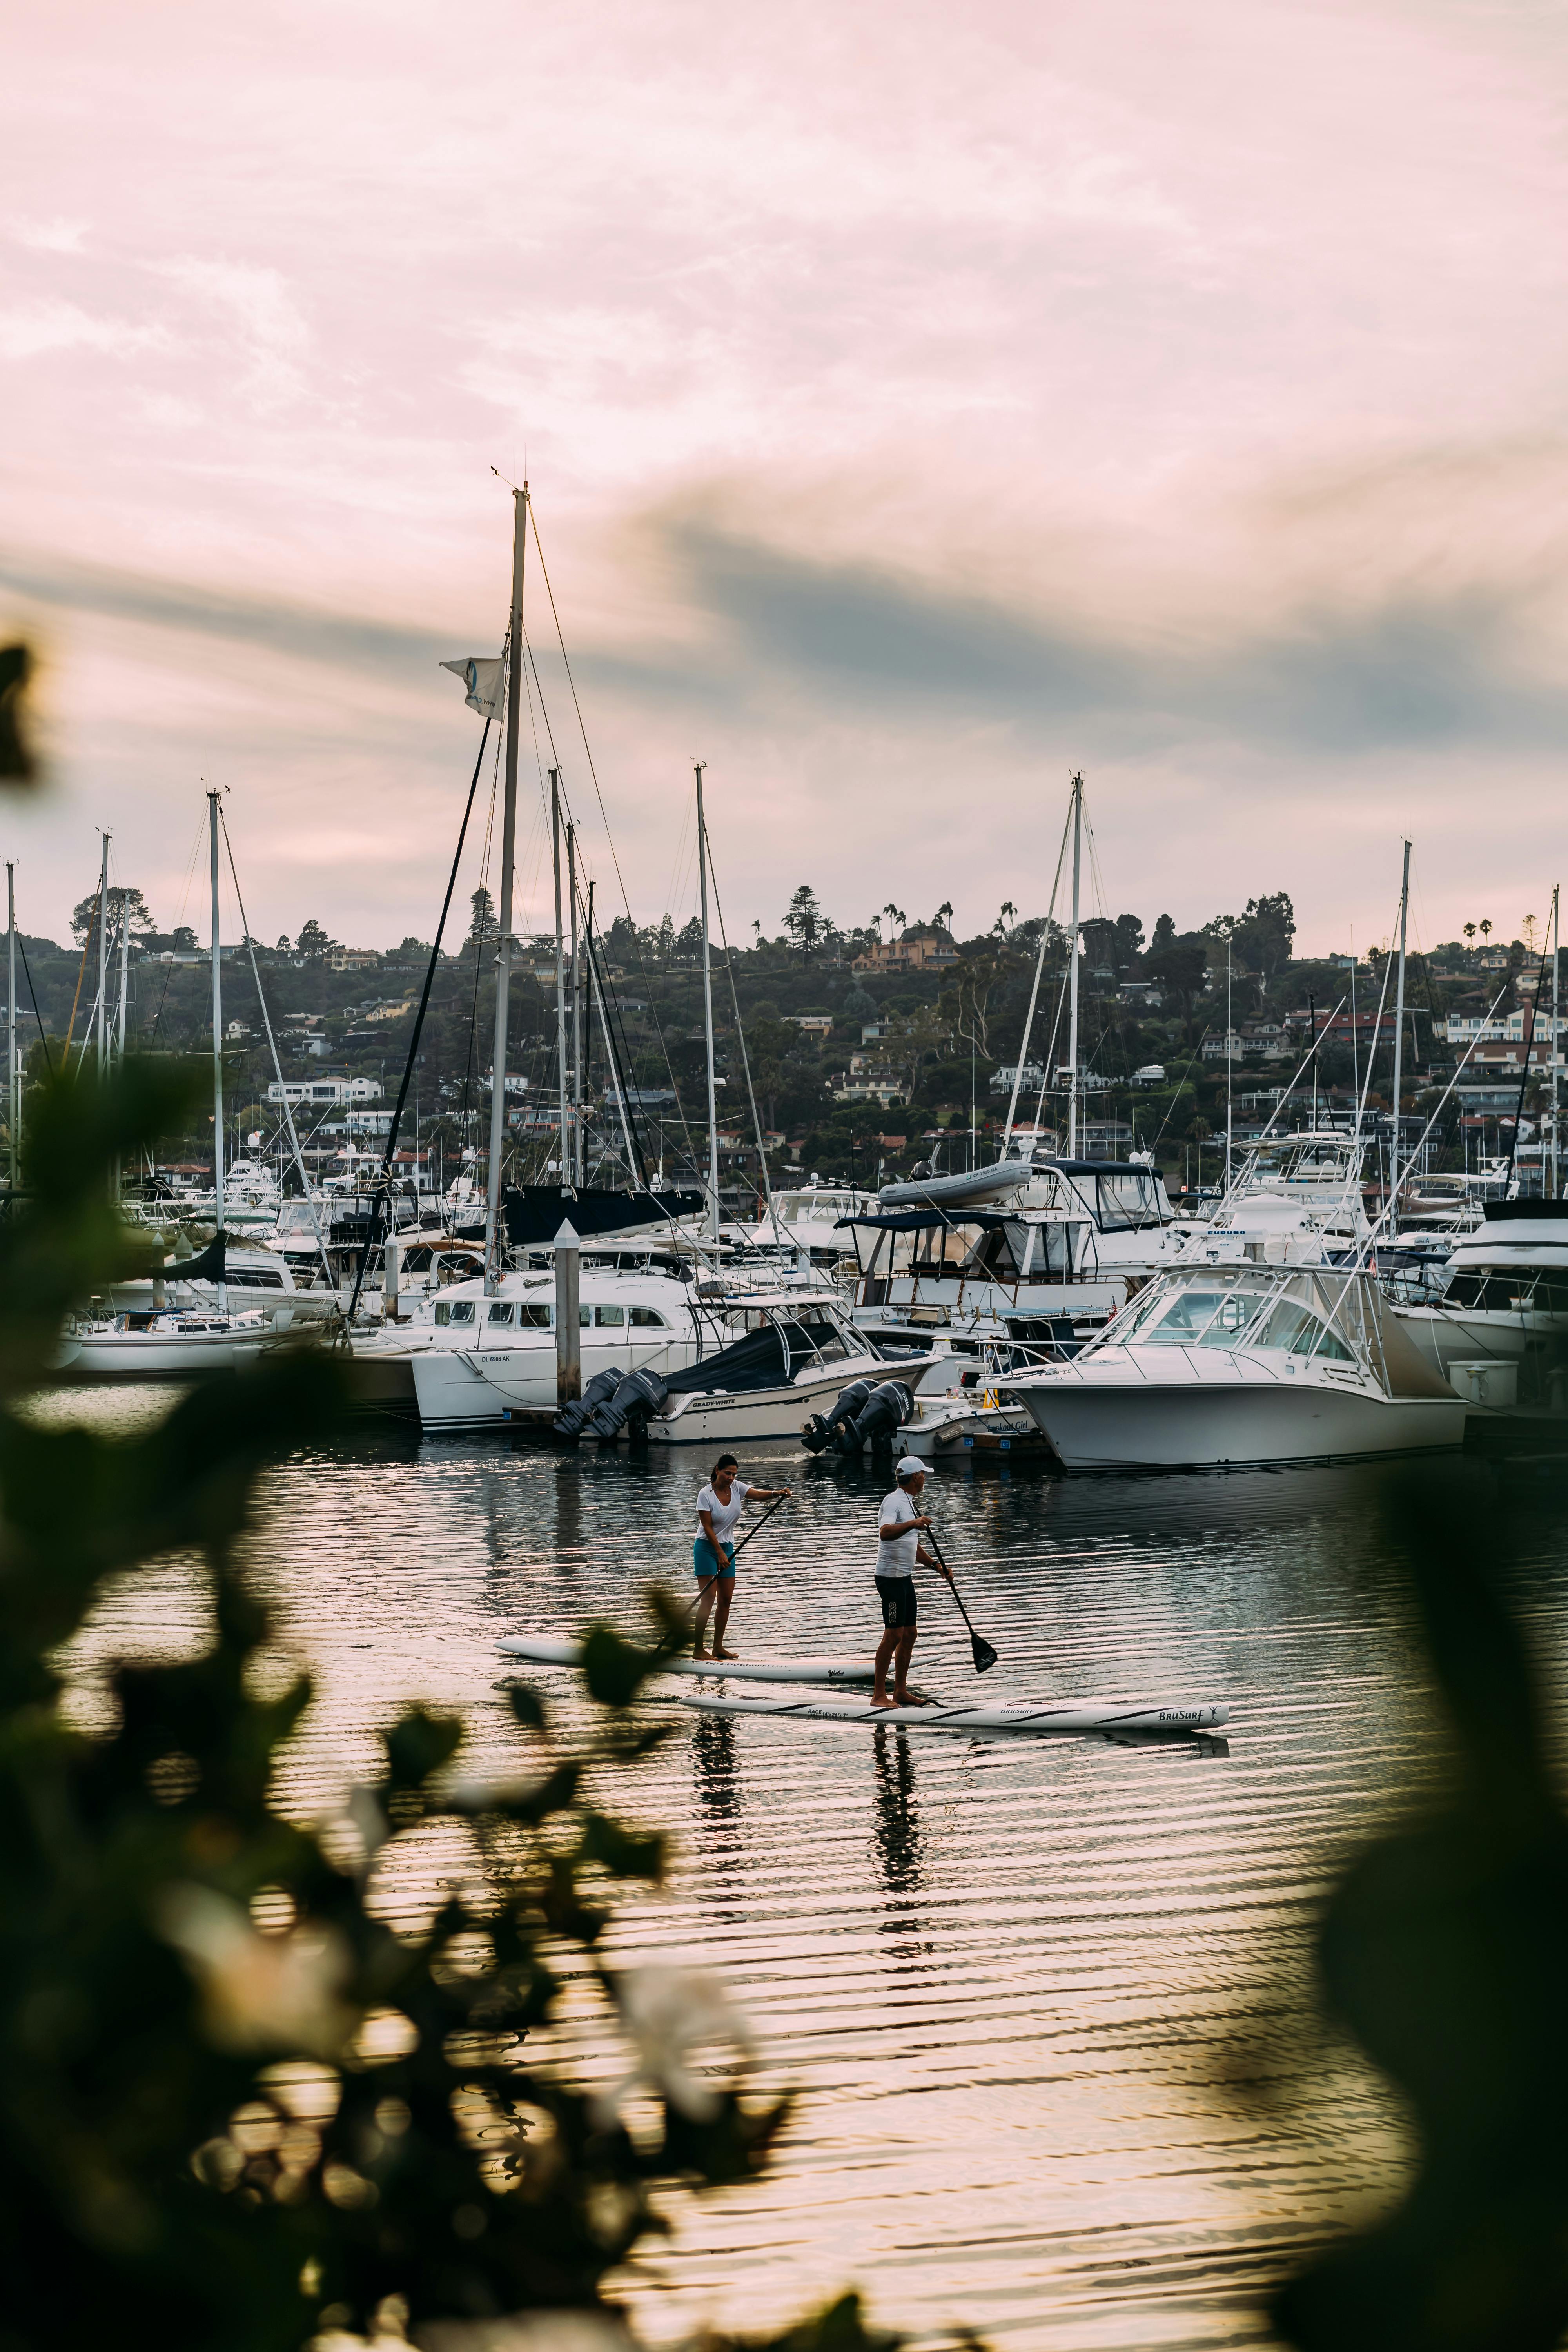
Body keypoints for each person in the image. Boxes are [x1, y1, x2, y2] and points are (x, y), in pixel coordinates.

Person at [693, 1455, 791, 1659]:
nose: (731, 1478)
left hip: (728, 1548)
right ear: (718, 1470)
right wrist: (718, 1552)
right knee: (708, 1598)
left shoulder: (737, 1487)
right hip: (706, 1548)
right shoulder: (706, 1494)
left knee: (726, 1599)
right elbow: (707, 1527)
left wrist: (776, 1494)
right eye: (728, 1473)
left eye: (734, 1474)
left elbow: (756, 1494)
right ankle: (698, 1649)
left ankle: (718, 1647)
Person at [872, 1456, 950, 1709]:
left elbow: (912, 1546)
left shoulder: (910, 1503)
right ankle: (878, 1696)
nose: (925, 1478)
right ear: (915, 1477)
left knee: (910, 1634)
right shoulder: (893, 1501)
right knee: (893, 1635)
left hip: (904, 1578)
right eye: (923, 1475)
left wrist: (936, 1566)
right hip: (889, 1579)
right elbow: (885, 1534)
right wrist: (913, 1524)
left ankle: (901, 1692)